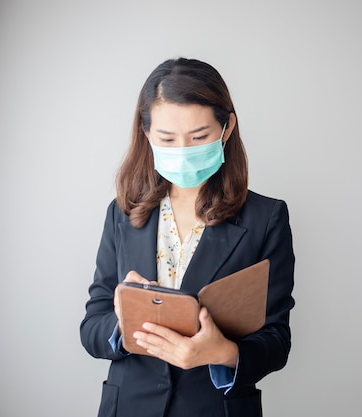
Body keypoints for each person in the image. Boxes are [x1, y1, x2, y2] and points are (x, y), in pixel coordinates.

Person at [80, 58, 295, 417]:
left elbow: (276, 340)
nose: (182, 151)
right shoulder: (121, 213)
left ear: (227, 128)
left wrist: (222, 352)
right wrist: (123, 320)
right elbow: (91, 328)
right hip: (128, 407)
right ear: (146, 133)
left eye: (199, 137)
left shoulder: (266, 218)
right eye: (167, 138)